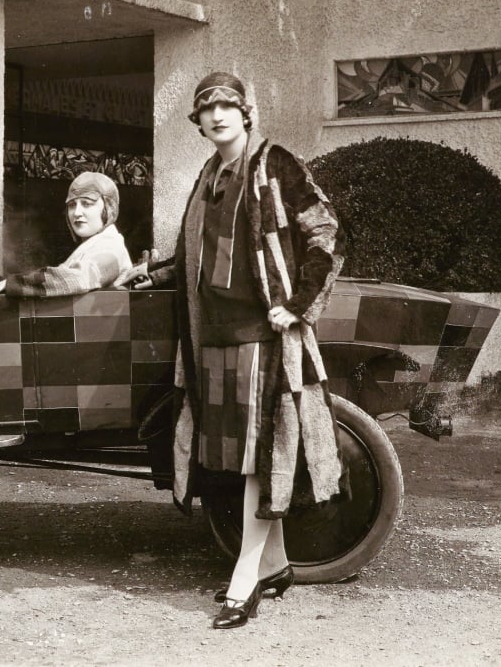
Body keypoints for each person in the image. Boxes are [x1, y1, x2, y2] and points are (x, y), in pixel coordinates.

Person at [118, 71, 347, 629]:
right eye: (206, 109)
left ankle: (244, 579)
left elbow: (328, 234)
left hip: (262, 339)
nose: (217, 116)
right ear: (197, 123)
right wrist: (152, 273)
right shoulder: (209, 174)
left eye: (227, 106)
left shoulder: (276, 165)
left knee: (257, 460)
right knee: (237, 460)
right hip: (212, 339)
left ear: (246, 112)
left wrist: (297, 303)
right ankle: (276, 566)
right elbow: (196, 254)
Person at [0, 171, 132, 303]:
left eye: (87, 203)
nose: (76, 213)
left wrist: (11, 283)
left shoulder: (111, 247)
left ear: (108, 209)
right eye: (71, 205)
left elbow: (75, 280)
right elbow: (61, 284)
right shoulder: (95, 244)